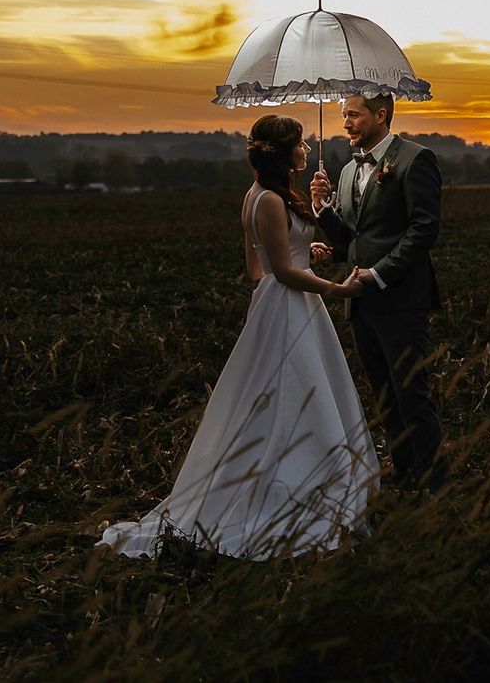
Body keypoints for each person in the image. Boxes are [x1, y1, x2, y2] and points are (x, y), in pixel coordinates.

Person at [98, 114, 378, 559]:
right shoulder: (268, 200)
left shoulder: (261, 196)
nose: (306, 150)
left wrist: (310, 251)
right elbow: (282, 272)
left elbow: (258, 268)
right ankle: (295, 494)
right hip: (289, 309)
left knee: (285, 395)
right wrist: (334, 286)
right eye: (301, 144)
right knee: (296, 397)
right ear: (285, 152)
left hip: (278, 304)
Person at [312, 91, 445, 492]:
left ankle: (435, 485)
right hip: (360, 301)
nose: (346, 123)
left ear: (381, 114)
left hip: (401, 299)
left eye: (353, 115)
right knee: (385, 396)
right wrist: (321, 212)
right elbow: (353, 237)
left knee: (412, 395)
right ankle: (404, 478)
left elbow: (424, 230)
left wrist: (379, 273)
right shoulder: (348, 171)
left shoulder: (416, 159)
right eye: (342, 116)